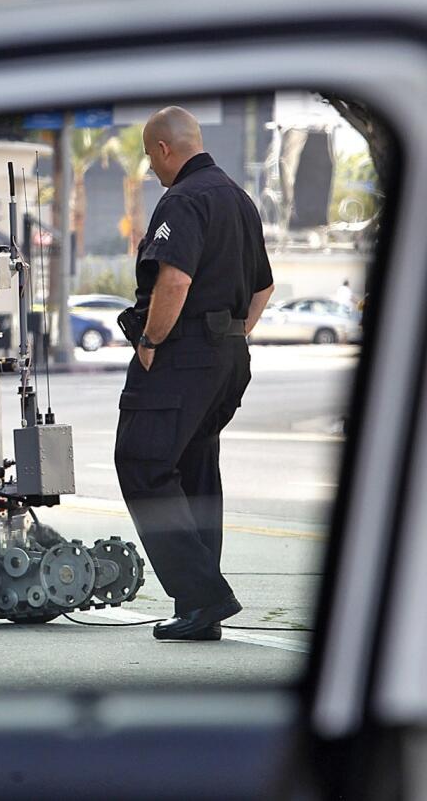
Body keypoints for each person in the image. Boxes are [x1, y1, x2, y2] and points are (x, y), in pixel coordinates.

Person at [114, 107, 275, 642]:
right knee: (193, 468)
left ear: (163, 149)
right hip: (227, 355)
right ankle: (197, 608)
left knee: (141, 461)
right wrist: (232, 335)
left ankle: (204, 596)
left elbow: (175, 280)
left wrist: (152, 340)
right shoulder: (237, 197)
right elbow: (263, 289)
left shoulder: (183, 198)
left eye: (148, 154)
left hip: (183, 354)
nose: (150, 166)